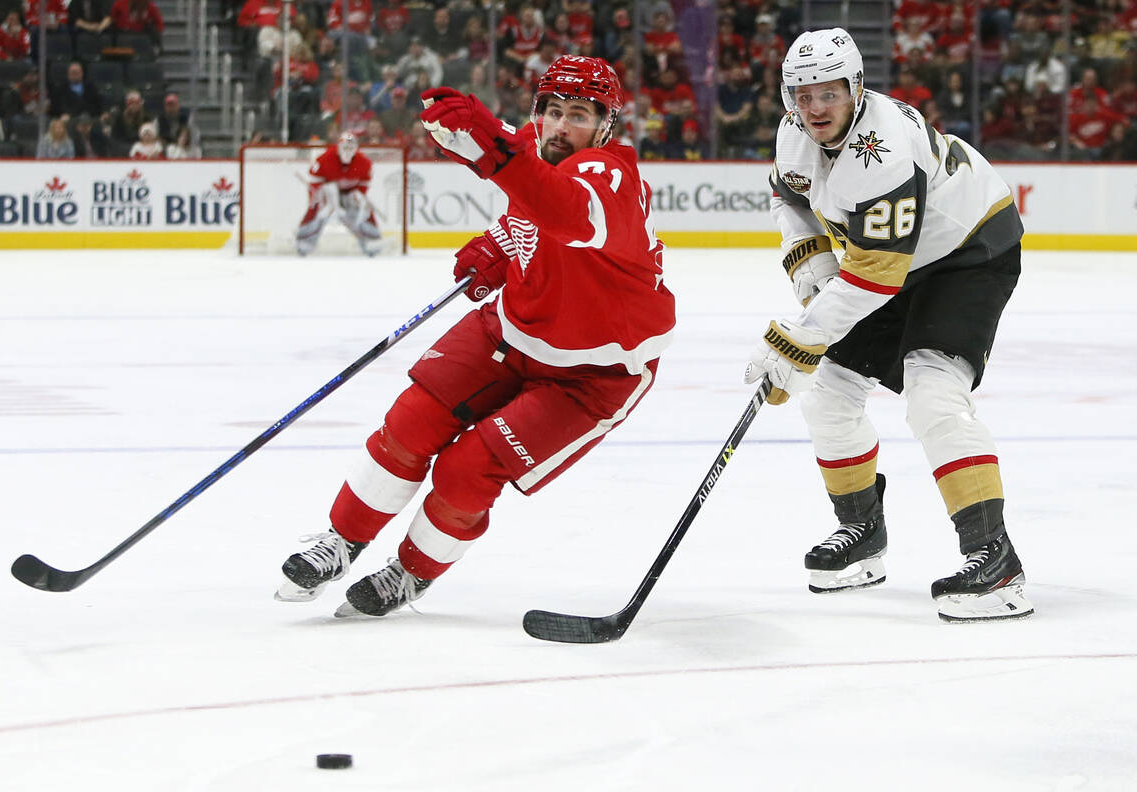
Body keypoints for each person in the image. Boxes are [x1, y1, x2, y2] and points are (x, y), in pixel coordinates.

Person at [274, 54, 674, 618]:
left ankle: (411, 572)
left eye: (579, 115)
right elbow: (528, 213)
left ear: (607, 126)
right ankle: (342, 540)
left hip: (595, 371)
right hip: (513, 327)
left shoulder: (612, 178)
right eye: (553, 111)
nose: (562, 128)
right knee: (411, 422)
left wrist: (491, 143)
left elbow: (562, 211)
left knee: (468, 469)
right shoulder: (535, 148)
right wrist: (498, 245)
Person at [745, 28, 1032, 622]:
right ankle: (862, 535)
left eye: (828, 92)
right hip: (892, 260)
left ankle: (995, 560)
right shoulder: (794, 132)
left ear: (855, 88)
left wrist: (801, 339)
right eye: (801, 93)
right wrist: (813, 270)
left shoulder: (884, 149)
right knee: (827, 394)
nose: (814, 106)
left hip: (967, 252)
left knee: (933, 393)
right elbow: (788, 199)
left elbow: (876, 276)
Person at [294, 129, 383, 257]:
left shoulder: (364, 163)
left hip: (349, 192)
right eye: (345, 147)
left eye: (351, 147)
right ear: (338, 147)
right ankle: (304, 240)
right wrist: (320, 198)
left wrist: (357, 197)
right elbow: (315, 182)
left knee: (362, 210)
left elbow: (363, 186)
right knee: (319, 210)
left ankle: (372, 239)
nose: (347, 151)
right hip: (327, 191)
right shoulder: (324, 159)